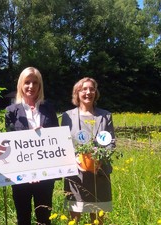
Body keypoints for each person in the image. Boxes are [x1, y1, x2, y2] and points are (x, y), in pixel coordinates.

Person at [5, 67, 59, 225]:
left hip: (46, 173)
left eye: (35, 82)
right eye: (27, 82)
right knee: (23, 217)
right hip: (21, 176)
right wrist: (28, 172)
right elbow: (11, 144)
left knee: (44, 218)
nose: (31, 86)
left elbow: (56, 139)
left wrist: (45, 134)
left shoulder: (49, 108)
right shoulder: (11, 111)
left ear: (40, 86)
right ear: (21, 84)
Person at [61, 77, 116, 225]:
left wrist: (100, 159)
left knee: (98, 219)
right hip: (76, 175)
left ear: (96, 93)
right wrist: (76, 159)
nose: (88, 92)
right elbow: (63, 143)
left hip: (100, 173)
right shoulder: (67, 116)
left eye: (92, 89)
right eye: (84, 89)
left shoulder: (106, 116)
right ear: (77, 93)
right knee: (74, 218)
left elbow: (111, 143)